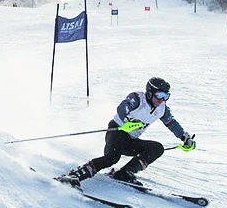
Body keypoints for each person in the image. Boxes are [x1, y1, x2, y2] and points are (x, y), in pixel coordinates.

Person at [58, 77, 195, 187]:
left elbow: (172, 123)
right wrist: (127, 121)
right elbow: (122, 108)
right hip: (117, 131)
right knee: (112, 158)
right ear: (150, 92)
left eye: (166, 96)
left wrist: (184, 137)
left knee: (157, 148)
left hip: (131, 140)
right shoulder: (137, 98)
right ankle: (75, 175)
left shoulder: (162, 108)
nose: (162, 100)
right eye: (160, 95)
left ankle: (124, 173)